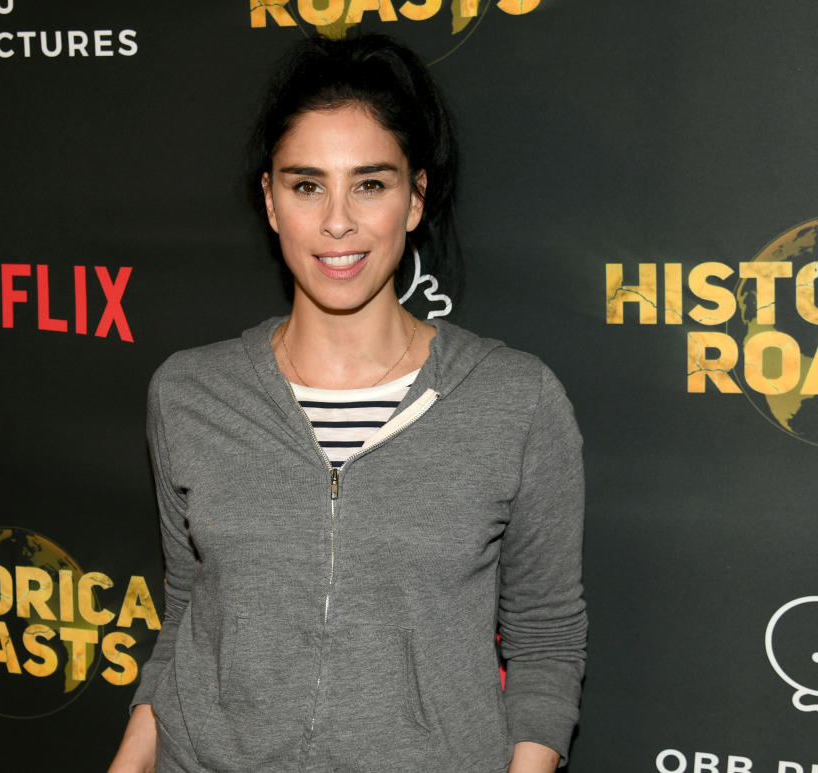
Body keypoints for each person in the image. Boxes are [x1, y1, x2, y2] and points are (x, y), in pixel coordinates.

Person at [109, 33, 586, 773]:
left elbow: (546, 642)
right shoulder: (189, 393)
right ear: (270, 201)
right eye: (306, 185)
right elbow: (188, 614)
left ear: (416, 197)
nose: (338, 221)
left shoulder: (515, 400)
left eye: (370, 184)